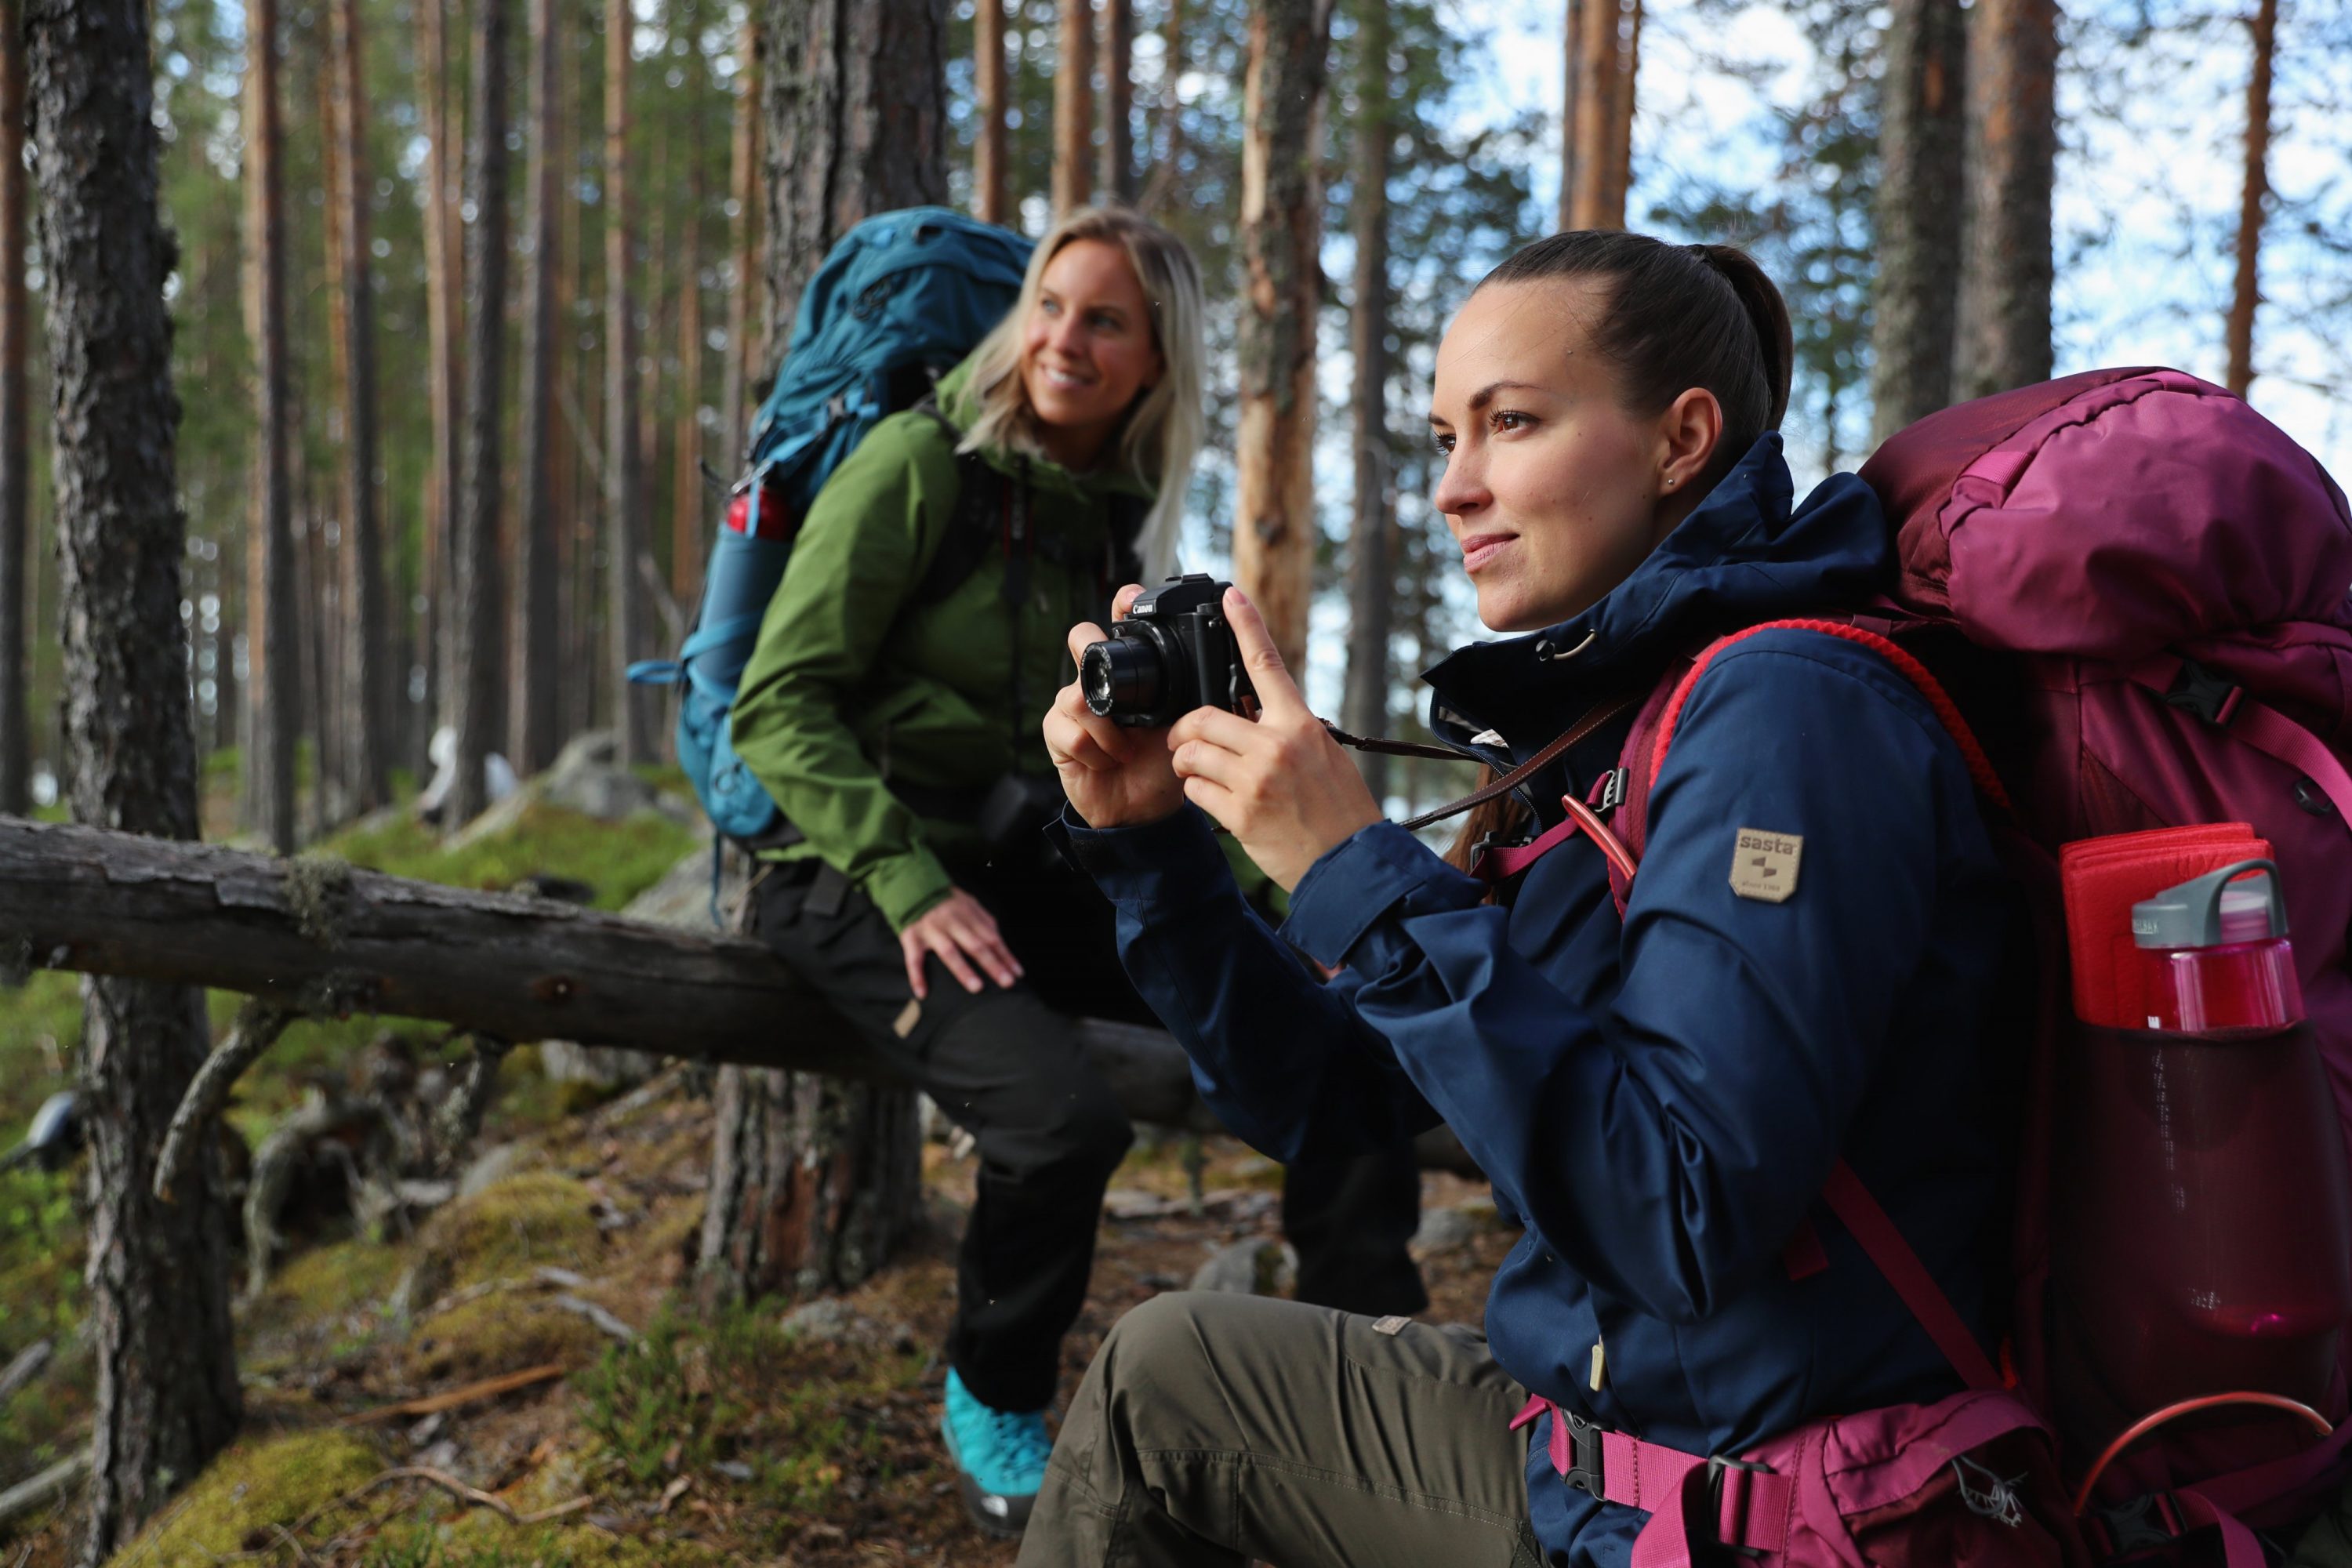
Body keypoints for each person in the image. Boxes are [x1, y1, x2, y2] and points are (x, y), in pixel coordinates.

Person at [1028, 231, 2013, 1566]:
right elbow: (1340, 1105)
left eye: (1512, 423)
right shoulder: (1597, 737)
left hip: (1777, 1512)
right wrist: (1157, 854)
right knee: (1168, 1376)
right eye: (1446, 438)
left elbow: (1683, 1209)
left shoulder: (1792, 714)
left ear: (1682, 440)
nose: (1454, 487)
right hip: (1591, 1456)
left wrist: (1347, 866)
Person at [725, 205, 1425, 1541]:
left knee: (1328, 1020)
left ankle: (1369, 1361)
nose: (1065, 339)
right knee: (1062, 1128)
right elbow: (779, 702)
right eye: (1051, 306)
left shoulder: (1109, 524)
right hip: (843, 859)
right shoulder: (917, 466)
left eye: (1106, 319)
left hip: (1011, 852)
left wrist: (1291, 908)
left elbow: (1135, 768)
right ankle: (996, 1384)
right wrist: (906, 881)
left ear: (1159, 359)